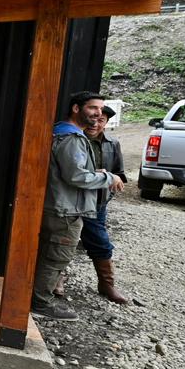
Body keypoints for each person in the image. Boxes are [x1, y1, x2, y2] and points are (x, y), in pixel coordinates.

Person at [31, 91, 121, 321]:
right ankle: (41, 303)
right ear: (76, 108)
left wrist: (95, 172)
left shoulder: (64, 133)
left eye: (100, 110)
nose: (97, 114)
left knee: (50, 255)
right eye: (93, 108)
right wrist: (108, 178)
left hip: (60, 205)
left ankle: (38, 298)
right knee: (56, 257)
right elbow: (75, 176)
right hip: (65, 209)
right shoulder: (71, 138)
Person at [79, 105, 130, 304]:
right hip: (70, 198)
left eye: (102, 120)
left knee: (99, 239)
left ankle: (107, 284)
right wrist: (95, 173)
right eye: (94, 119)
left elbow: (121, 174)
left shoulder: (112, 143)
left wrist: (110, 176)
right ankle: (57, 280)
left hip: (97, 202)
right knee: (63, 240)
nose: (96, 124)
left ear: (106, 123)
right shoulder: (74, 139)